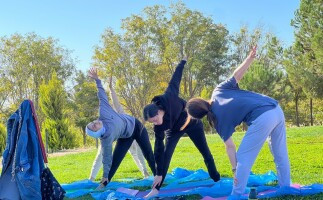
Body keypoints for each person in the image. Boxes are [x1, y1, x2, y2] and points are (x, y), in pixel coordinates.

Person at [186, 46, 291, 199]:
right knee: (280, 153)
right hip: (275, 108)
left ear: (200, 116)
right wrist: (250, 58)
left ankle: (237, 194)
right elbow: (237, 75)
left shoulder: (216, 120)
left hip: (263, 116)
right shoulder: (218, 90)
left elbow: (230, 147)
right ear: (200, 101)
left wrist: (235, 169)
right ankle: (286, 187)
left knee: (243, 158)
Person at [143, 57, 220, 198]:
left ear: (159, 111)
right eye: (151, 122)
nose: (155, 123)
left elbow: (175, 78)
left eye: (155, 119)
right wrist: (159, 173)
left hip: (192, 123)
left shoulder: (169, 97)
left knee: (205, 152)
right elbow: (158, 150)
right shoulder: (158, 127)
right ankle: (156, 189)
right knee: (165, 156)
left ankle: (216, 179)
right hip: (174, 131)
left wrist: (182, 62)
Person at [86, 68, 156, 189]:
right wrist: (104, 174)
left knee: (148, 153)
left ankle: (158, 177)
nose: (95, 122)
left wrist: (97, 80)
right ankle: (104, 182)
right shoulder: (105, 138)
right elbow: (106, 158)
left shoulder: (103, 113)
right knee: (114, 161)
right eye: (94, 126)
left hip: (137, 127)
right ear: (97, 132)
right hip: (126, 136)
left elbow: (102, 96)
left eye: (92, 122)